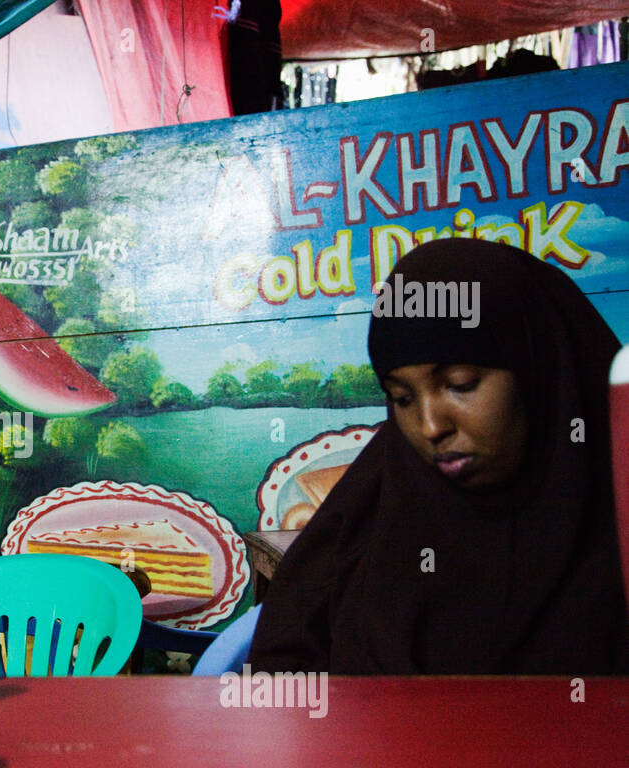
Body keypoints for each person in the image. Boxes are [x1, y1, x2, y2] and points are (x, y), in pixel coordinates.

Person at [249, 238, 629, 674]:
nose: (431, 427)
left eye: (461, 384)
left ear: (541, 370)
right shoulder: (369, 520)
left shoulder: (616, 526)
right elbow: (281, 676)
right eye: (402, 399)